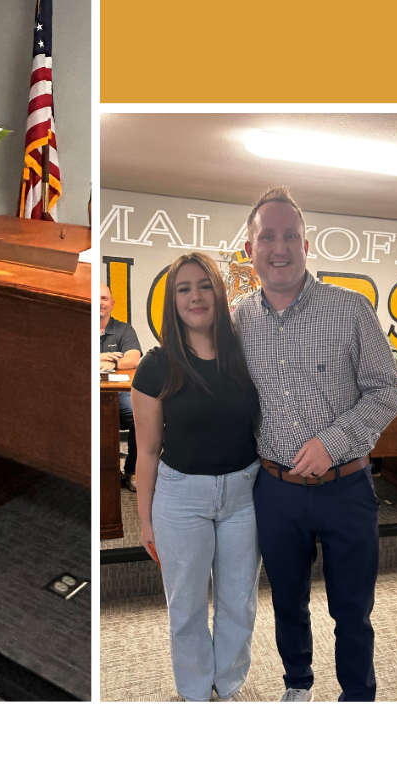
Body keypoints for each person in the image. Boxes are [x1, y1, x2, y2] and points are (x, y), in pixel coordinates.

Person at [233, 186, 397, 701]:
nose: (279, 247)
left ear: (306, 246)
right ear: (250, 249)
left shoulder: (350, 310)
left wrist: (334, 441)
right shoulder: (237, 319)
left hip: (345, 487)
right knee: (287, 599)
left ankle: (357, 697)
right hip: (274, 488)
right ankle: (297, 685)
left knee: (352, 607)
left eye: (290, 236)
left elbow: (386, 389)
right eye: (268, 236)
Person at [133, 252, 263, 702]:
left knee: (238, 602)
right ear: (172, 300)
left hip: (244, 495)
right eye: (183, 288)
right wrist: (145, 520)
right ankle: (193, 692)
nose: (195, 296)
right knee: (186, 605)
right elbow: (146, 451)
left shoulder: (245, 356)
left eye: (204, 285)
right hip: (180, 498)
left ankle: (227, 687)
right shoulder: (156, 366)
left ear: (219, 292)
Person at [100, 286, 144, 488]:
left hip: (118, 392)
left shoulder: (123, 329)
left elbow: (133, 358)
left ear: (112, 303)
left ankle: (132, 472)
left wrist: (114, 364)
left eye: (104, 298)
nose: (100, 303)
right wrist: (99, 357)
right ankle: (105, 471)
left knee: (140, 418)